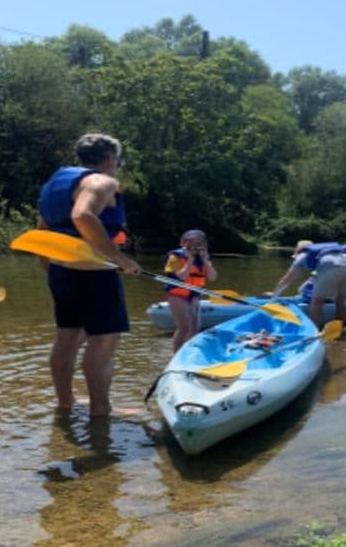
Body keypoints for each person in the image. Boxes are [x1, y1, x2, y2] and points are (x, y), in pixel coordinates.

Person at [37, 133, 141, 417]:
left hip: (60, 272)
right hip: (93, 274)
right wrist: (118, 258)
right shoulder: (101, 181)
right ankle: (101, 410)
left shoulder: (54, 184)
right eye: (117, 161)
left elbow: (43, 229)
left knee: (67, 337)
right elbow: (82, 216)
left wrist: (49, 267)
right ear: (109, 159)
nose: (116, 166)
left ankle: (65, 403)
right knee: (104, 340)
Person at [269, 237, 346, 328]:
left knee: (317, 301)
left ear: (298, 250)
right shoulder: (325, 250)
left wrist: (274, 295)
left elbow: (287, 279)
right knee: (341, 299)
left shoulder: (302, 255)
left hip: (329, 265)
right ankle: (338, 327)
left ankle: (315, 330)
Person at [163, 229, 217, 352]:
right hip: (178, 293)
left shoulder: (204, 258)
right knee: (184, 327)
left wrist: (205, 261)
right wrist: (190, 260)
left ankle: (187, 352)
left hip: (194, 293)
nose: (196, 246)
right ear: (183, 243)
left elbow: (212, 278)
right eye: (192, 243)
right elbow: (181, 277)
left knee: (195, 327)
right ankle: (176, 354)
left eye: (199, 244)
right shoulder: (175, 257)